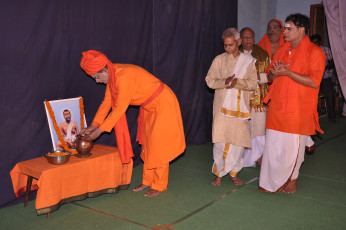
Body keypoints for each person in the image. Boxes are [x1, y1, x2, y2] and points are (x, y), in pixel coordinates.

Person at [79, 50, 186, 197]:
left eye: (97, 77)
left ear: (104, 70)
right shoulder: (113, 77)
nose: (97, 81)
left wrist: (99, 131)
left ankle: (159, 185)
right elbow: (107, 103)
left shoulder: (124, 77)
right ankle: (148, 180)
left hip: (163, 102)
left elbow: (118, 110)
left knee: (158, 144)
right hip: (149, 106)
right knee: (148, 143)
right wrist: (93, 125)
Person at [259, 14, 326, 194]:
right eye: (285, 28)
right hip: (277, 106)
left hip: (298, 108)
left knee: (292, 148)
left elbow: (314, 81)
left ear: (301, 30)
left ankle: (292, 179)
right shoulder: (282, 50)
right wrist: (274, 73)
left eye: (289, 29)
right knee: (273, 146)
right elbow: (270, 76)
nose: (285, 32)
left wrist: (287, 73)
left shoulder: (315, 52)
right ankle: (270, 180)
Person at [205, 28, 257, 186]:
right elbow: (209, 80)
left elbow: (253, 83)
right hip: (221, 107)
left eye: (231, 45)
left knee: (237, 142)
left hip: (240, 109)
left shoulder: (248, 61)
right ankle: (219, 174)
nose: (227, 48)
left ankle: (234, 173)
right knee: (220, 141)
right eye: (225, 45)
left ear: (238, 42)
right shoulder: (218, 60)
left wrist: (238, 83)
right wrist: (224, 82)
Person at [240, 27, 270, 167]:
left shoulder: (263, 54)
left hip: (259, 99)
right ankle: (243, 159)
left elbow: (270, 76)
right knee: (243, 129)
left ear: (254, 38)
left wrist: (257, 77)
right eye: (245, 37)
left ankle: (259, 156)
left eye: (250, 37)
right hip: (241, 98)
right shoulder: (234, 54)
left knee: (259, 129)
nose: (247, 40)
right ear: (240, 39)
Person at [310, 34, 337, 123]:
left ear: (319, 42)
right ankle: (314, 118)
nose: (315, 44)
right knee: (312, 98)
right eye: (313, 43)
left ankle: (332, 118)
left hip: (325, 77)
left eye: (316, 42)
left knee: (329, 97)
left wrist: (325, 67)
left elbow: (332, 61)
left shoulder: (325, 49)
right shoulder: (308, 50)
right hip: (312, 78)